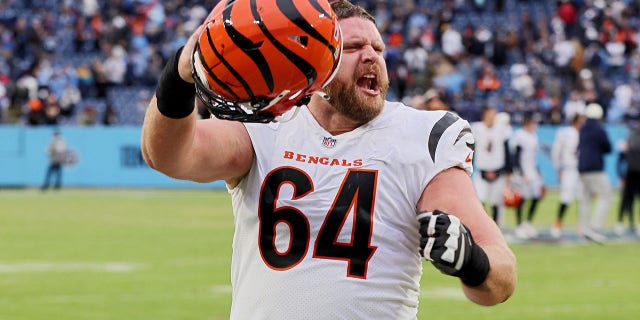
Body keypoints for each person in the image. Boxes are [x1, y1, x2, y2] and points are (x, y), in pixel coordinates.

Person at [140, 1, 516, 318]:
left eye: (378, 48)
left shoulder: (422, 135)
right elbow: (168, 155)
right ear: (315, 59)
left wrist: (472, 261)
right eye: (353, 47)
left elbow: (501, 279)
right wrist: (180, 74)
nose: (371, 56)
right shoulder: (267, 122)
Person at [470, 106, 513, 225]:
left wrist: (509, 171)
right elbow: (471, 150)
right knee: (479, 200)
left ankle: (496, 227)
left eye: (494, 115)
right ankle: (482, 226)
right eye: (490, 115)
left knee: (496, 202)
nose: (492, 117)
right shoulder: (476, 128)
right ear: (484, 116)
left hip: (498, 171)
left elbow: (506, 149)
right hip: (482, 171)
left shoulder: (501, 129)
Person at [577, 103, 612, 242]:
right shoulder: (599, 129)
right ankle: (594, 228)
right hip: (595, 168)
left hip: (582, 167)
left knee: (585, 198)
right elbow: (607, 147)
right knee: (605, 196)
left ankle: (584, 227)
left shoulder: (583, 129)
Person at [550, 113, 585, 238]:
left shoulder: (585, 133)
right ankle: (558, 223)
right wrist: (558, 168)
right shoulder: (565, 132)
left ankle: (582, 226)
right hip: (568, 169)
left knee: (582, 199)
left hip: (581, 170)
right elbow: (556, 150)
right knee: (566, 198)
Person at [510, 114, 544, 239]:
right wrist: (520, 172)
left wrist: (538, 170)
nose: (535, 126)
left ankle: (527, 222)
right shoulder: (519, 135)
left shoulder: (533, 136)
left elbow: (533, 157)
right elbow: (516, 155)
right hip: (523, 171)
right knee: (521, 198)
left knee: (536, 196)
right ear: (528, 123)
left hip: (532, 171)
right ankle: (519, 225)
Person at [615, 120, 640, 236]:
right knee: (628, 199)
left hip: (631, 172)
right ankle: (624, 222)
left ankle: (623, 222)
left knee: (627, 199)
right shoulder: (631, 138)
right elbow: (621, 159)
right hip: (632, 172)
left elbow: (621, 159)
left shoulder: (630, 137)